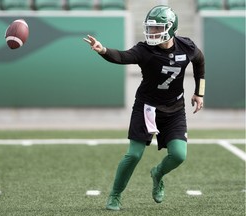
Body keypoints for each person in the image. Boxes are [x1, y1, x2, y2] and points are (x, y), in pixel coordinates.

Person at [83, 5, 205, 211]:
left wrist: (199, 92)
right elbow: (122, 56)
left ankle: (157, 173)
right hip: (147, 108)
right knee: (134, 155)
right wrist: (102, 50)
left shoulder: (187, 46)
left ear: (171, 28)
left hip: (174, 109)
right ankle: (115, 195)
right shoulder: (144, 50)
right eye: (151, 28)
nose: (153, 32)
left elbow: (200, 61)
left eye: (157, 28)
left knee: (178, 155)